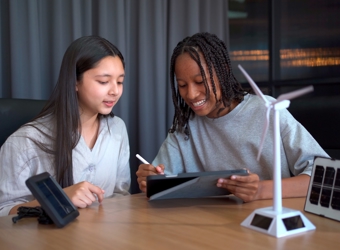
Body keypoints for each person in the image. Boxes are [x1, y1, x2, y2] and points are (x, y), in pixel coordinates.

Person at [136, 32, 329, 202]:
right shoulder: (185, 125)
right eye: (183, 85)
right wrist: (150, 179)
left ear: (223, 72)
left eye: (200, 81)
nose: (192, 94)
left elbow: (324, 177)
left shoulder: (267, 110)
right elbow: (162, 182)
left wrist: (261, 190)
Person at [0, 35, 130, 216]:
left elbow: (121, 195)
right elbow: (4, 212)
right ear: (75, 81)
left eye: (120, 82)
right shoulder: (24, 142)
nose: (115, 91)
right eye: (103, 81)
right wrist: (56, 199)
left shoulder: (117, 129)